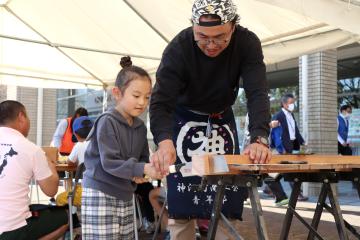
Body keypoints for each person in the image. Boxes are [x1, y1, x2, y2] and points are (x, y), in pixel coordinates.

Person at [149, 0, 272, 238]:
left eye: (220, 37)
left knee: (225, 195)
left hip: (221, 118)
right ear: (193, 27)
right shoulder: (179, 48)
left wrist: (259, 137)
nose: (211, 44)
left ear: (233, 27)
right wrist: (164, 141)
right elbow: (161, 102)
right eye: (202, 36)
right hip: (182, 119)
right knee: (182, 199)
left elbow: (257, 92)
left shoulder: (247, 43)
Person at [81, 56, 161, 239]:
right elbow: (110, 162)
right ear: (117, 93)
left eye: (147, 97)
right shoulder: (107, 121)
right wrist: (141, 169)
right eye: (136, 96)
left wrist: (143, 171)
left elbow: (142, 158)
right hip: (100, 192)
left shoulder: (140, 127)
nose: (142, 102)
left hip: (125, 193)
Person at [0, 100, 68, 240]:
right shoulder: (30, 149)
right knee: (67, 216)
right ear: (21, 116)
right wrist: (49, 164)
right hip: (11, 230)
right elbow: (51, 191)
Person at [272, 93, 308, 201]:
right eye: (291, 103)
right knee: (290, 170)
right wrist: (280, 148)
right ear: (284, 104)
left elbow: (295, 130)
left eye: (293, 102)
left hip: (291, 145)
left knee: (284, 170)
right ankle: (297, 194)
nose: (293, 105)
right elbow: (275, 134)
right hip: (283, 147)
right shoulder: (278, 116)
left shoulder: (291, 115)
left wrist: (302, 142)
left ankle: (268, 188)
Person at [55, 116, 93, 207]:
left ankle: (72, 220)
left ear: (75, 134)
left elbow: (70, 162)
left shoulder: (79, 146)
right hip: (105, 191)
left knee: (60, 198)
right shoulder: (102, 145)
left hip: (85, 192)